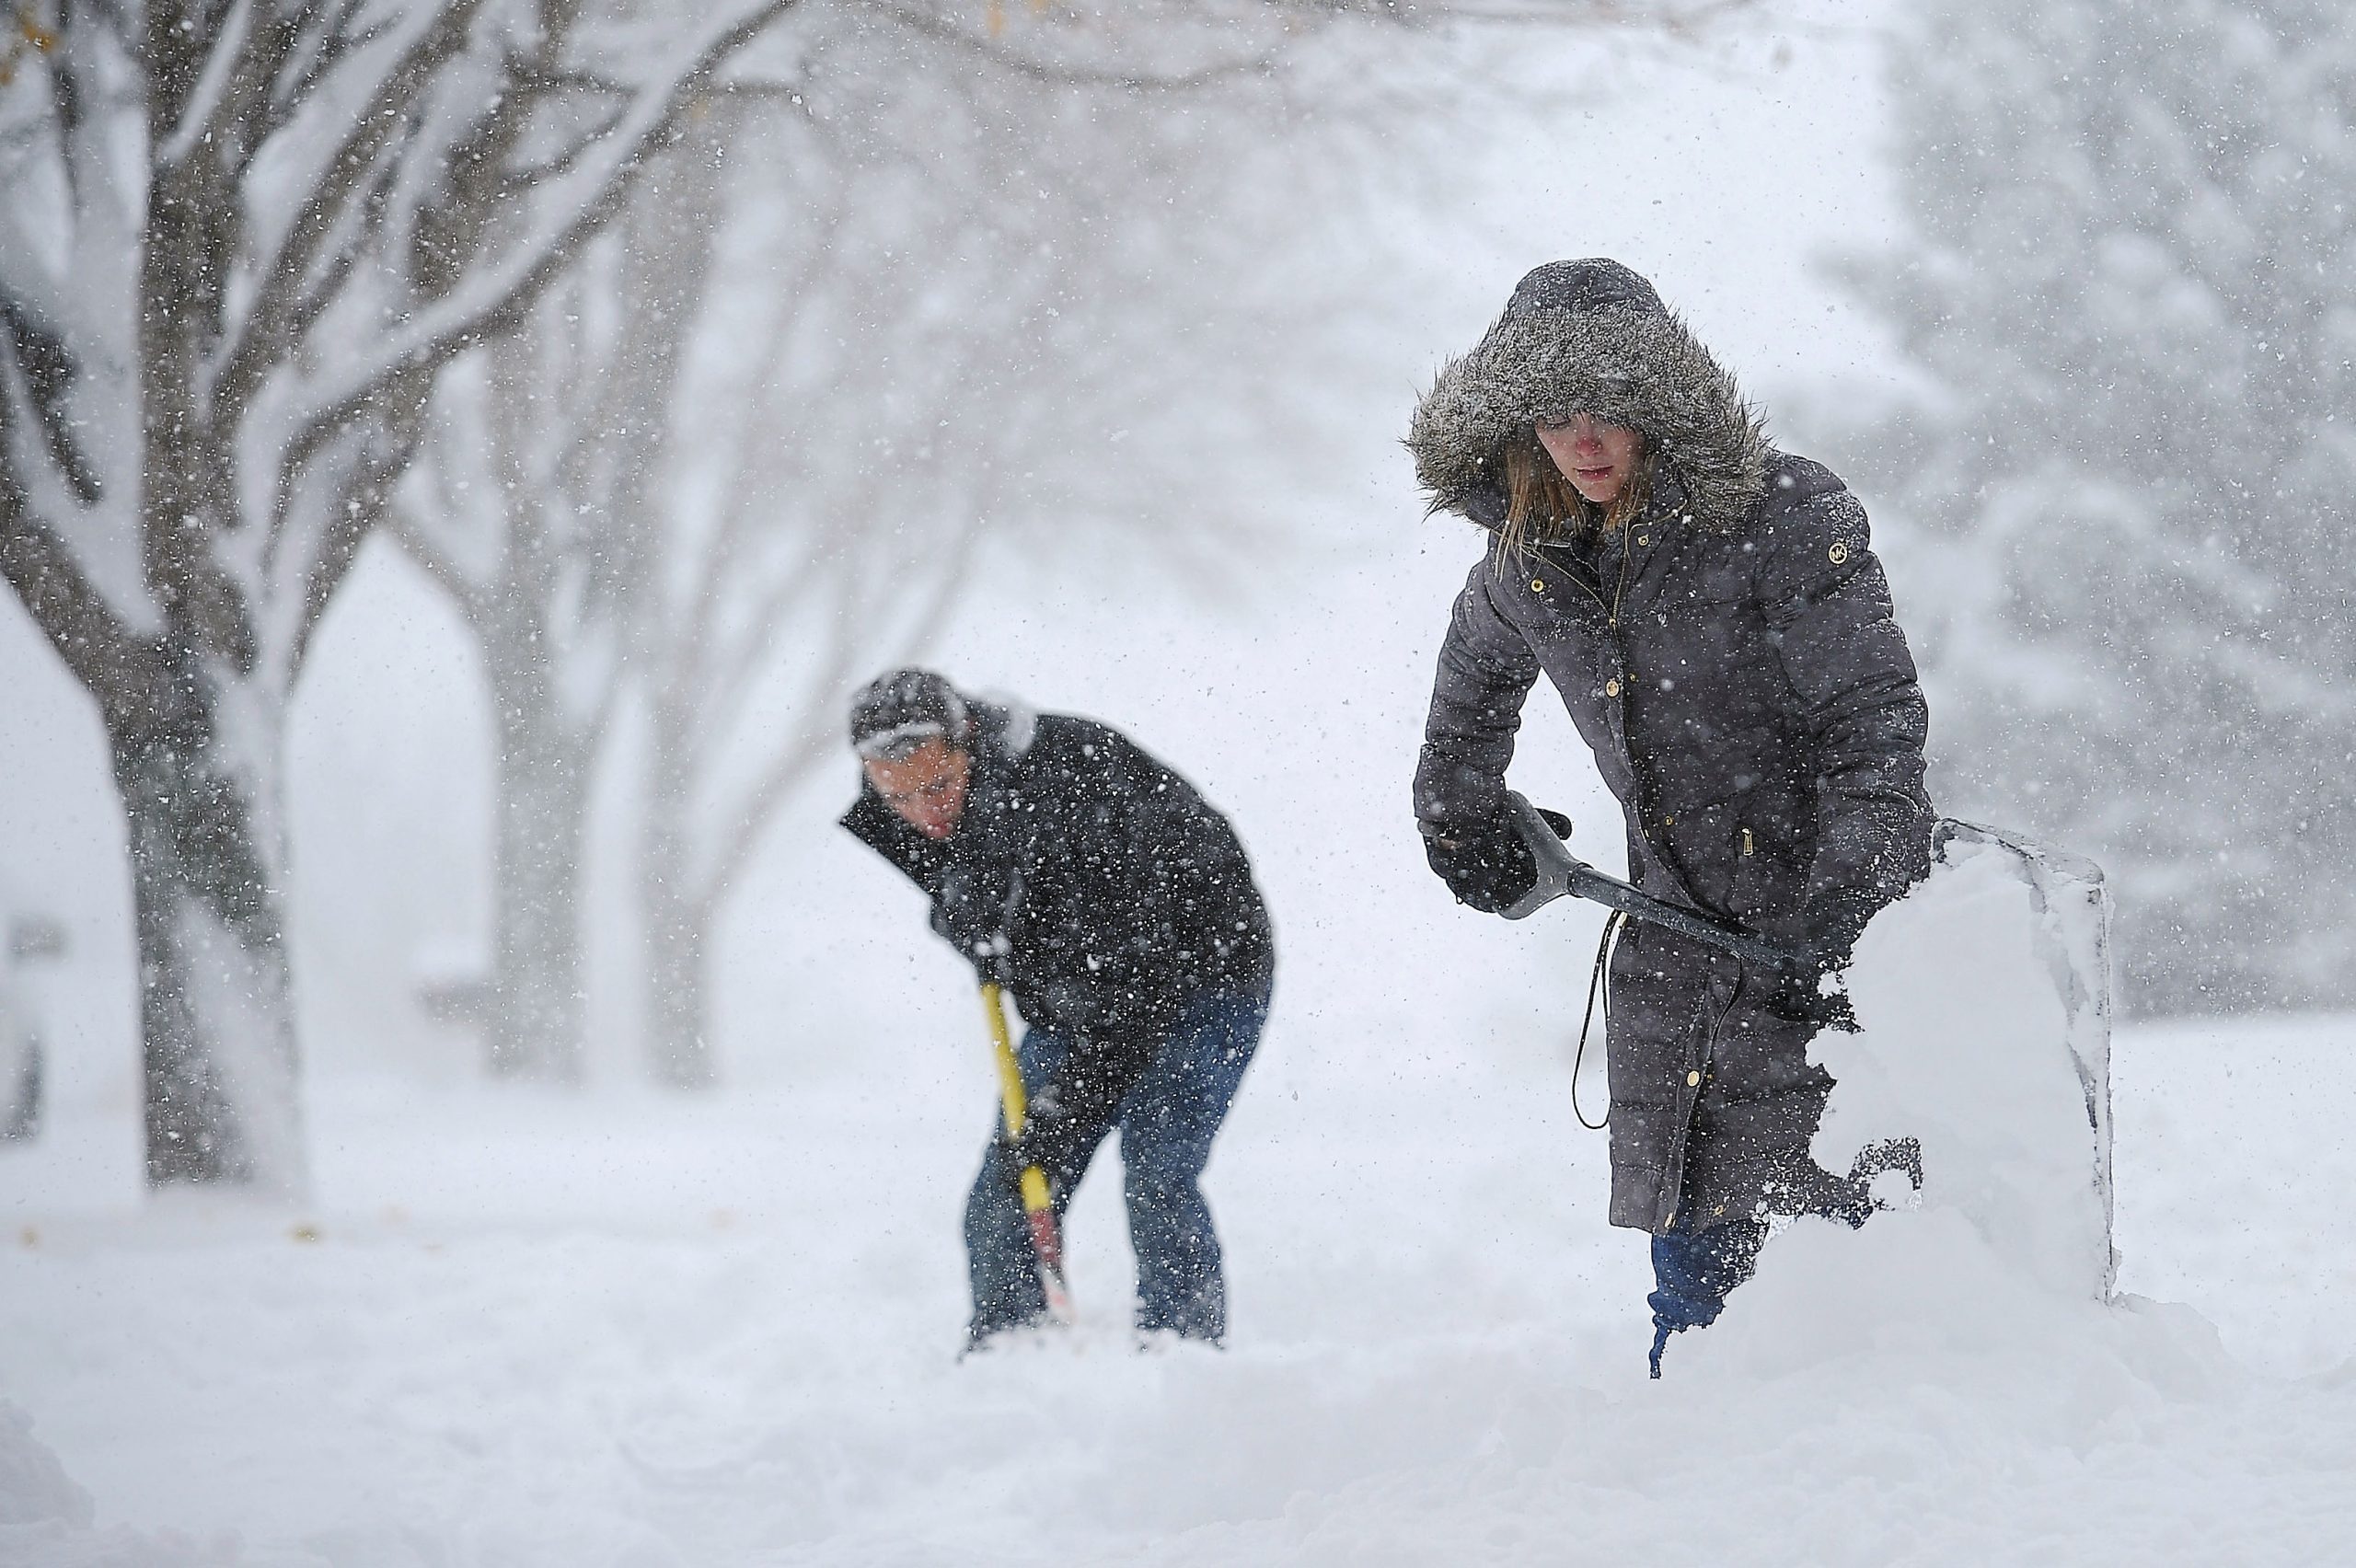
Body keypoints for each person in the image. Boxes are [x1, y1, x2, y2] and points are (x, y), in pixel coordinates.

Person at [1403, 259, 1935, 1376]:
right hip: (1676, 973)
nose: (1584, 438)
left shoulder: (1785, 517)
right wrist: (1459, 822)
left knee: (1863, 1291)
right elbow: (1464, 707)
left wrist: (1851, 912)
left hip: (1834, 968)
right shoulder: (1522, 566)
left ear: (1665, 404)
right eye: (1554, 413)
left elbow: (1871, 727)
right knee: (1696, 1316)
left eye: (1611, 407)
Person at [840, 669, 1275, 1349]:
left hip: (1202, 979)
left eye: (937, 787)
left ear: (968, 744)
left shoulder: (1070, 783)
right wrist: (969, 917)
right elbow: (1019, 933)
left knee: (1158, 1171)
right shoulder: (924, 807)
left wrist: (1067, 1099)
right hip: (1078, 999)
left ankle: (1183, 1355)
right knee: (1010, 1187)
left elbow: (1140, 979)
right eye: (898, 797)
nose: (924, 813)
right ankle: (1010, 1358)